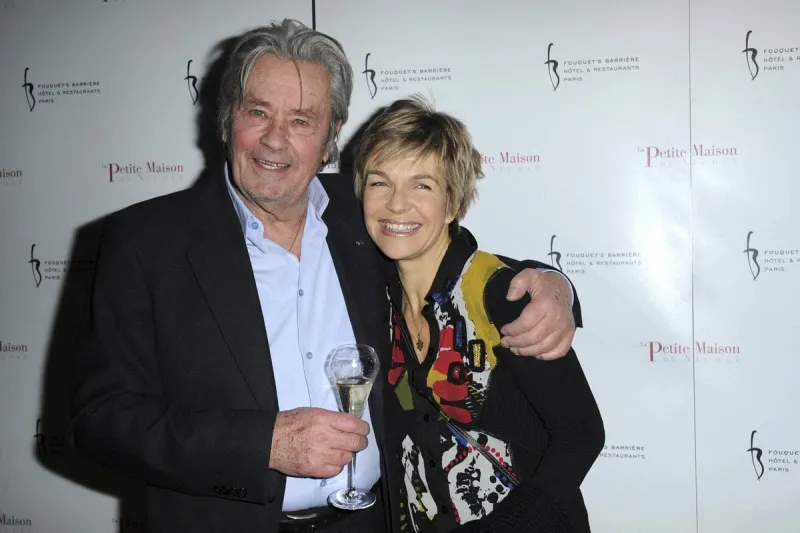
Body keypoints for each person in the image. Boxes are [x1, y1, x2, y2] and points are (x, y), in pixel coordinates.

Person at [69, 19, 582, 533]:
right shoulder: (144, 241)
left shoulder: (365, 217)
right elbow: (100, 421)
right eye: (258, 112)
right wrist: (264, 444)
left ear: (331, 138)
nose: (275, 140)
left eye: (301, 120)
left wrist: (550, 284)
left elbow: (448, 253)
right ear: (227, 120)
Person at [352, 95, 604, 533]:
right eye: (379, 182)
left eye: (422, 185)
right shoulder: (372, 296)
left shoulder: (496, 294)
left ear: (453, 203)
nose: (396, 204)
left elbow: (581, 433)